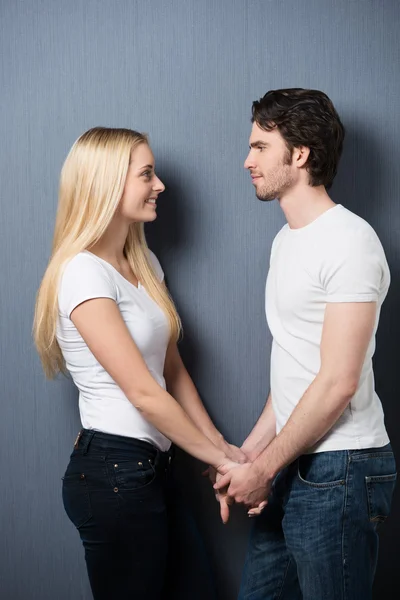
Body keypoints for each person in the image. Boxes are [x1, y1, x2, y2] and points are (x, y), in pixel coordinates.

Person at [33, 127, 246, 600]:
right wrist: (226, 462)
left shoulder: (144, 261)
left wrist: (219, 451)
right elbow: (144, 393)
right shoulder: (82, 272)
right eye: (146, 174)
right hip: (113, 475)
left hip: (157, 469)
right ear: (106, 184)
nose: (160, 185)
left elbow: (172, 372)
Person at [215, 89, 397, 599]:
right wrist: (248, 456)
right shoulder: (286, 240)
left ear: (299, 154)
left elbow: (337, 381)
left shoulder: (350, 242)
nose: (246, 160)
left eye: (259, 147)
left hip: (339, 470)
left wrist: (264, 469)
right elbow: (295, 366)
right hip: (293, 462)